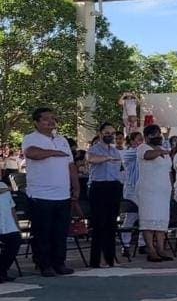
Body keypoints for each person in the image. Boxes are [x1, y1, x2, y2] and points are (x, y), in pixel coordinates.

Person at [22, 107, 79, 276]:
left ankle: (59, 263)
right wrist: (53, 152)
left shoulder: (62, 140)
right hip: (41, 194)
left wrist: (76, 186)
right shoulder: (30, 138)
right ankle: (44, 264)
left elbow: (71, 165)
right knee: (43, 232)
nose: (51, 121)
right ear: (36, 122)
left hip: (63, 194)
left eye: (53, 118)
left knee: (60, 232)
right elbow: (32, 153)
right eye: (46, 119)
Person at [86, 122, 124, 268]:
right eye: (107, 133)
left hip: (113, 187)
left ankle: (110, 257)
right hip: (99, 187)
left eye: (112, 133)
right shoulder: (94, 149)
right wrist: (106, 158)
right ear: (100, 133)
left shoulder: (115, 151)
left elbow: (119, 169)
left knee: (111, 224)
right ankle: (97, 259)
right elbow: (91, 159)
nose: (110, 136)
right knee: (99, 224)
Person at [136, 124, 172, 262]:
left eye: (158, 134)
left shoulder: (163, 150)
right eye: (154, 134)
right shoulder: (142, 147)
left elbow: (168, 170)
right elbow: (148, 156)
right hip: (148, 191)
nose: (158, 136)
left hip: (163, 191)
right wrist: (161, 151)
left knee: (161, 220)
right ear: (146, 137)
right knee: (149, 220)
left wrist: (171, 187)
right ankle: (151, 250)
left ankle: (161, 249)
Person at [119, 131, 143, 256]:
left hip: (143, 188)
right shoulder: (129, 153)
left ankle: (142, 244)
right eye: (139, 140)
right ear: (132, 141)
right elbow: (141, 152)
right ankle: (125, 244)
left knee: (144, 217)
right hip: (131, 189)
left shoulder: (143, 151)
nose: (141, 142)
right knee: (131, 217)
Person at [0, 179, 19, 282]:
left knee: (15, 240)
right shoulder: (5, 188)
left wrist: (17, 226)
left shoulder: (3, 185)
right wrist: (8, 189)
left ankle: (2, 270)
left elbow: (12, 208)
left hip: (8, 226)